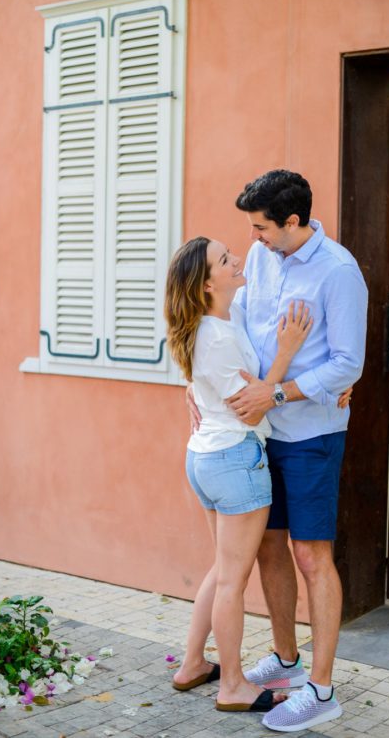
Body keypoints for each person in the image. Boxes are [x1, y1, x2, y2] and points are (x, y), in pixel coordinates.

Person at [185, 170, 368, 732]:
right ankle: (286, 662)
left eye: (262, 227)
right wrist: (204, 387)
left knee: (312, 556)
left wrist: (279, 391)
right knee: (267, 550)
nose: (254, 239)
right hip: (253, 438)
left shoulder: (339, 272)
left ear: (293, 221)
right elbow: (231, 325)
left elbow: (348, 363)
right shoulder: (263, 260)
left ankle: (321, 688)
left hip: (311, 433)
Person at [165, 236, 312, 713]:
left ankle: (192, 664)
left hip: (205, 457)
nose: (237, 259)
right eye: (225, 259)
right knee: (233, 580)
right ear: (207, 283)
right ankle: (233, 685)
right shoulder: (219, 336)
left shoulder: (211, 326)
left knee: (222, 569)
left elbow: (238, 390)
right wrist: (288, 352)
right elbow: (251, 411)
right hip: (234, 458)